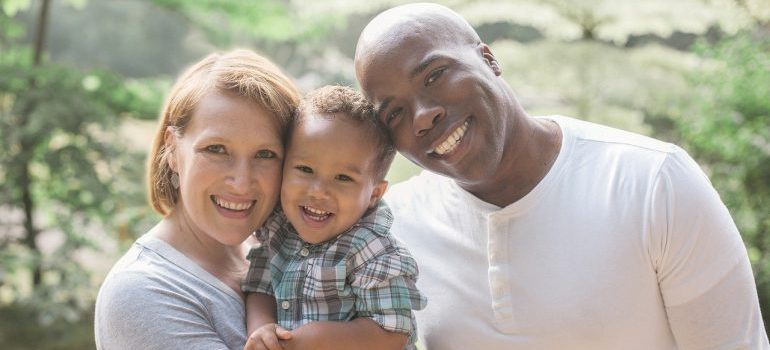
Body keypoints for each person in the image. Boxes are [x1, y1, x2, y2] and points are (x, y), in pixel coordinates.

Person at [354, 3, 769, 349]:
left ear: (488, 58)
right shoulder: (391, 233)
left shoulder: (653, 183)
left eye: (434, 75)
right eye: (394, 112)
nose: (424, 116)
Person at [94, 49, 301, 350]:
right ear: (173, 150)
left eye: (266, 154)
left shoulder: (278, 255)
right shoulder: (142, 291)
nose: (241, 182)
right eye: (216, 149)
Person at [241, 85, 426, 350]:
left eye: (343, 178)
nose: (318, 192)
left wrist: (301, 341)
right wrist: (262, 330)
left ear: (374, 193)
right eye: (305, 169)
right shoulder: (278, 229)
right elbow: (260, 288)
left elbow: (391, 332)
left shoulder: (374, 251)